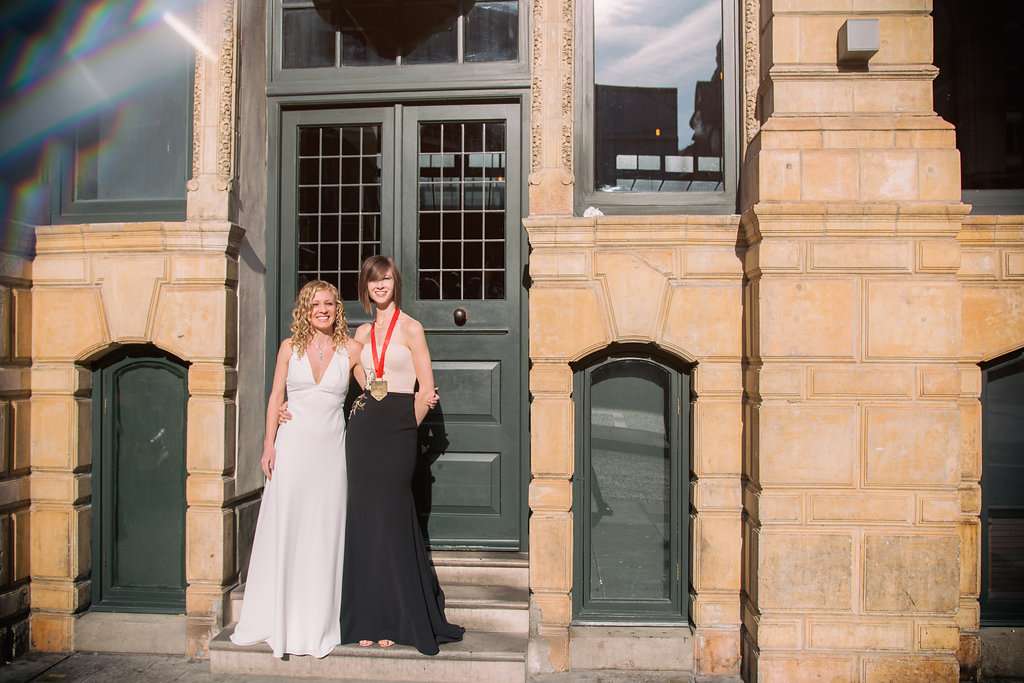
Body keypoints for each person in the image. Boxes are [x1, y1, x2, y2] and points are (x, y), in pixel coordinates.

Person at [230, 280, 362, 658]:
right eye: (315, 304)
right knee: (289, 526)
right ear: (305, 309)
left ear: (337, 308)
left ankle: (318, 620)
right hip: (292, 449)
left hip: (331, 453)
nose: (322, 310)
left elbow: (374, 391)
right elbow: (276, 396)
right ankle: (281, 616)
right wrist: (268, 444)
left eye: (329, 303)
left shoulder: (352, 350)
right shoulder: (290, 348)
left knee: (324, 529)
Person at [340, 255, 464, 655]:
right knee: (364, 520)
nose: (380, 286)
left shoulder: (411, 327)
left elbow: (427, 389)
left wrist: (405, 423)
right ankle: (365, 618)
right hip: (364, 428)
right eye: (373, 280)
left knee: (392, 518)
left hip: (397, 427)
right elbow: (347, 372)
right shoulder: (360, 332)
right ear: (365, 287)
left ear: (396, 283)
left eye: (386, 279)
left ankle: (396, 617)